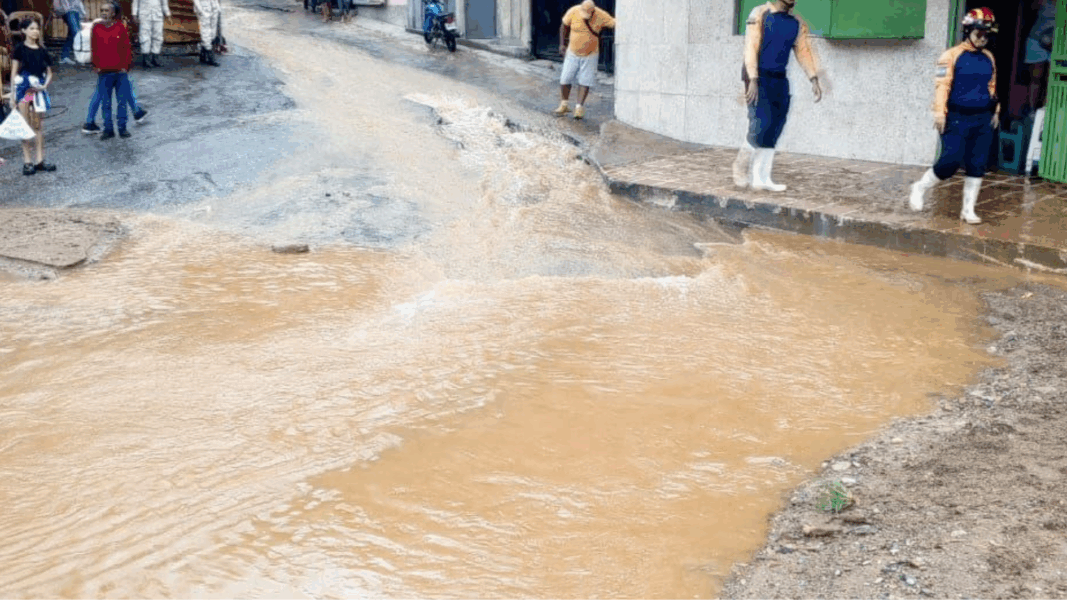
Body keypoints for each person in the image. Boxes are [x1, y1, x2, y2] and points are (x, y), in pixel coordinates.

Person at [909, 8, 1000, 225]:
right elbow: (942, 85)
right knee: (950, 160)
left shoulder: (988, 57)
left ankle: (968, 210)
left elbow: (991, 86)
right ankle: (920, 187)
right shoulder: (950, 55)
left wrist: (995, 110)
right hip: (956, 117)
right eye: (979, 33)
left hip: (982, 117)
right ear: (968, 31)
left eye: (987, 35)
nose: (983, 38)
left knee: (977, 164)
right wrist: (939, 113)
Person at [731, 0, 821, 191]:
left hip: (779, 78)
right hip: (758, 77)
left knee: (774, 128)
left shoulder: (796, 22)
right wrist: (753, 78)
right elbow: (751, 47)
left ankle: (762, 178)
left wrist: (813, 78)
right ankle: (740, 165)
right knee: (760, 125)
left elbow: (803, 51)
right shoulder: (760, 13)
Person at [552, 0, 615, 120]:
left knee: (585, 81)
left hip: (591, 54)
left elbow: (613, 23)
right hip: (572, 52)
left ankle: (579, 107)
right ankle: (564, 104)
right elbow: (564, 26)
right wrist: (562, 44)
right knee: (565, 78)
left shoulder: (601, 15)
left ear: (593, 11)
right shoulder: (573, 11)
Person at [9, 17, 56, 176]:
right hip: (25, 91)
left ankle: (40, 160)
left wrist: (44, 85)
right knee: (25, 125)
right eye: (31, 28)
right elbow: (14, 72)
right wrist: (12, 96)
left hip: (38, 90)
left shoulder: (42, 50)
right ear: (24, 31)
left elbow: (49, 72)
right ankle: (27, 161)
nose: (35, 31)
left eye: (37, 28)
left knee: (38, 125)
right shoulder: (20, 49)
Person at [90, 0, 134, 139]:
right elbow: (94, 47)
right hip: (104, 72)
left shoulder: (120, 27)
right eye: (102, 10)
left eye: (106, 10)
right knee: (106, 103)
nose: (103, 13)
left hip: (120, 72)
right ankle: (108, 129)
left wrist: (126, 66)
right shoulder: (96, 28)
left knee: (122, 102)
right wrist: (96, 65)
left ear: (113, 13)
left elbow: (126, 47)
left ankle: (122, 128)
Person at [1024, 0, 1055, 113]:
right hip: (1037, 40)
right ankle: (1031, 110)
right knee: (1036, 77)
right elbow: (1031, 7)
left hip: (1057, 43)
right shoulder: (1043, 1)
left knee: (1052, 79)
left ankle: (1047, 109)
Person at [132, 0, 171, 69]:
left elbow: (164, 3)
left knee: (158, 36)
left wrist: (167, 14)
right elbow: (135, 3)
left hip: (158, 15)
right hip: (144, 16)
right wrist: (134, 15)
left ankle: (155, 58)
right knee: (144, 36)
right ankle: (145, 59)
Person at [54, 0, 87, 66]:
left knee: (71, 35)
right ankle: (80, 56)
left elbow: (78, 2)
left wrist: (83, 13)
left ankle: (64, 56)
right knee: (76, 33)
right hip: (69, 11)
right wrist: (59, 10)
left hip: (77, 12)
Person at [193, 0, 222, 66]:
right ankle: (210, 56)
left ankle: (203, 55)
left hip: (213, 8)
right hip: (204, 8)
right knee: (205, 32)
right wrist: (200, 10)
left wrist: (217, 7)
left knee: (212, 33)